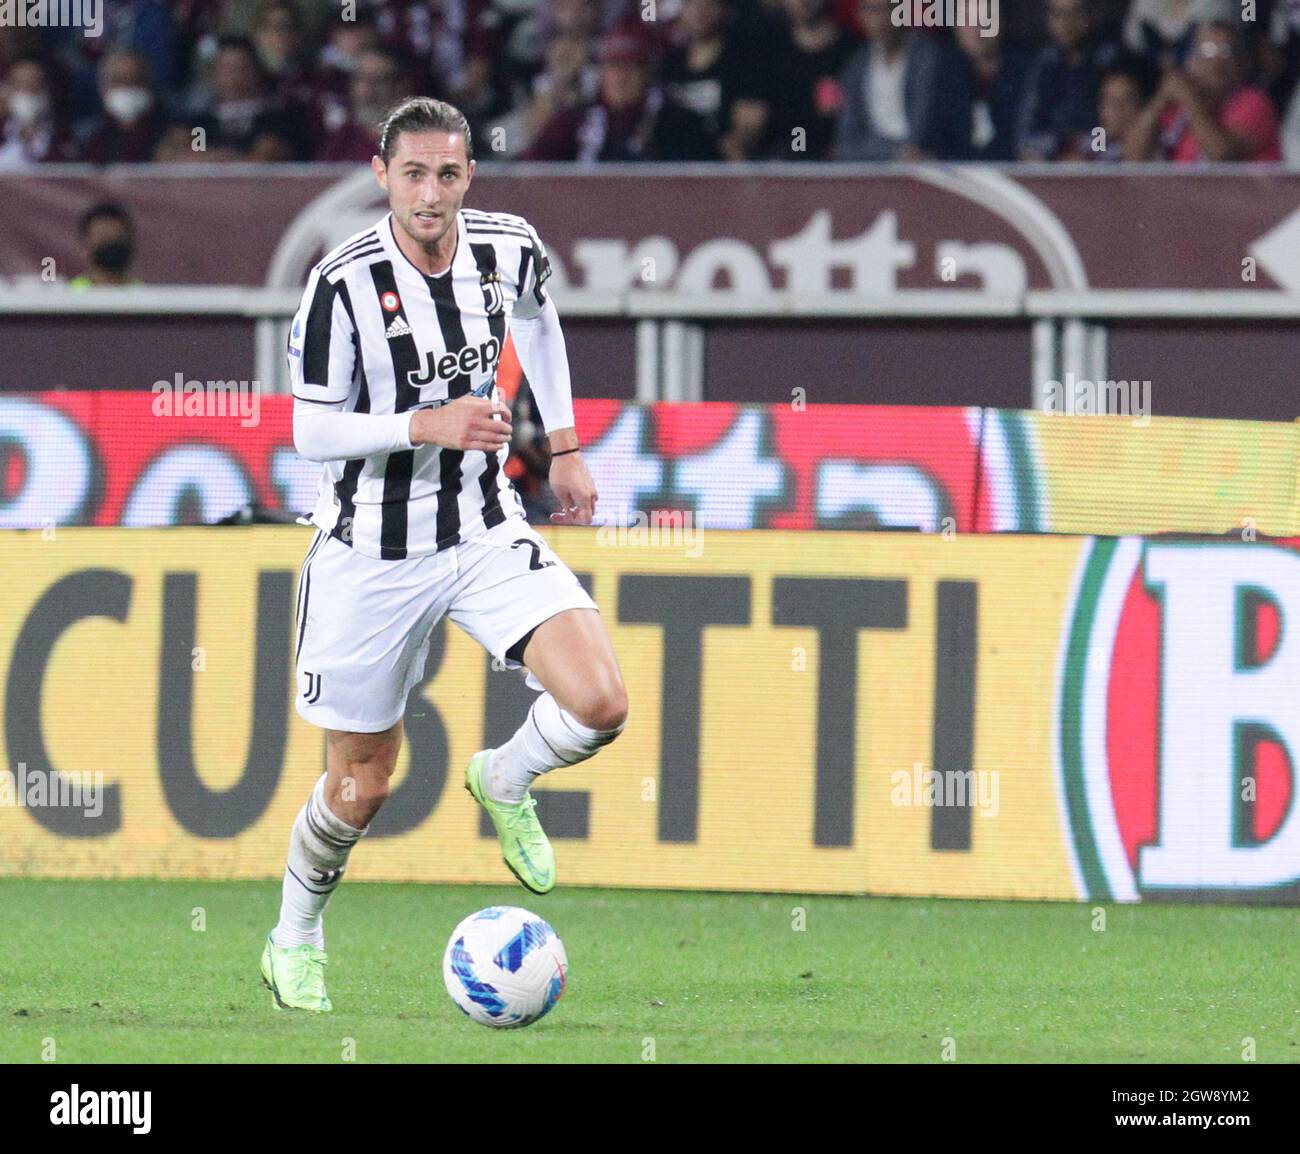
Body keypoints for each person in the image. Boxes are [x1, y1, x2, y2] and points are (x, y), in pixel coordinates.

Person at [262, 97, 628, 1012]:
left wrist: (569, 442)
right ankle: (294, 936)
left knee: (601, 703)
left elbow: (540, 318)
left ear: (471, 176)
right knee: (361, 786)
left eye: (449, 174)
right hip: (366, 555)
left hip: (480, 525)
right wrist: (426, 422)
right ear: (381, 176)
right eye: (413, 174)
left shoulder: (507, 247)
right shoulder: (339, 284)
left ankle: (504, 775)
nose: (431, 193)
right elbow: (305, 428)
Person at [1125, 20, 1281, 161]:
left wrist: (1188, 99)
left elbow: (1221, 154)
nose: (1217, 62)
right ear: (1191, 61)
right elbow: (1133, 157)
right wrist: (1161, 99)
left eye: (1227, 51)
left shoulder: (1254, 102)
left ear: (1242, 64)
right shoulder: (1175, 109)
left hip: (1245, 192)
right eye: (1207, 50)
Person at [74, 49, 169, 165]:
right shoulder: (86, 138)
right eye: (118, 80)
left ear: (148, 83)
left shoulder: (173, 135)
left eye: (135, 79)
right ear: (102, 87)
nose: (126, 87)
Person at [69, 202, 140, 288]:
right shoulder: (67, 296)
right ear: (84, 249)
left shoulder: (146, 296)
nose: (111, 244)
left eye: (118, 237)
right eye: (103, 237)